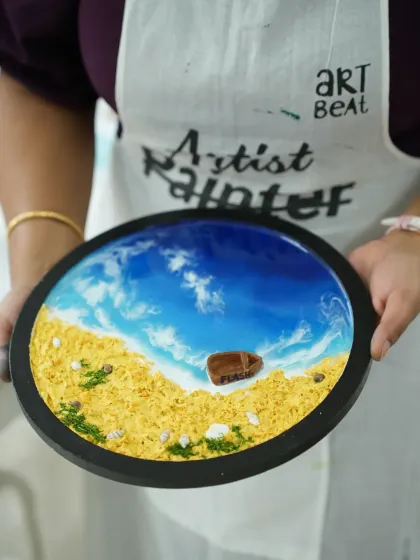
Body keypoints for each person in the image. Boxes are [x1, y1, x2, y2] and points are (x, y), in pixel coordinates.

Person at [1, 1, 420, 559]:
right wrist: (42, 266)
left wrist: (415, 234)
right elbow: (36, 75)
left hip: (386, 304)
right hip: (134, 296)